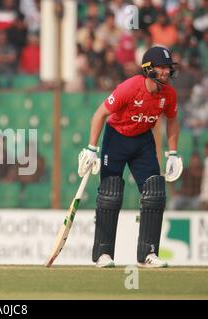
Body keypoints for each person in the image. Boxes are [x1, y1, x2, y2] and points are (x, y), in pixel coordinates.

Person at [78, 46, 183, 268]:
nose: (166, 71)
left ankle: (148, 253)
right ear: (148, 69)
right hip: (116, 138)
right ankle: (103, 254)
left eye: (168, 67)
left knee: (154, 191)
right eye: (161, 67)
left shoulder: (169, 94)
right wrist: (91, 148)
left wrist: (172, 153)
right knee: (110, 193)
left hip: (143, 140)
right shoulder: (130, 87)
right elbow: (100, 113)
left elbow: (172, 119)